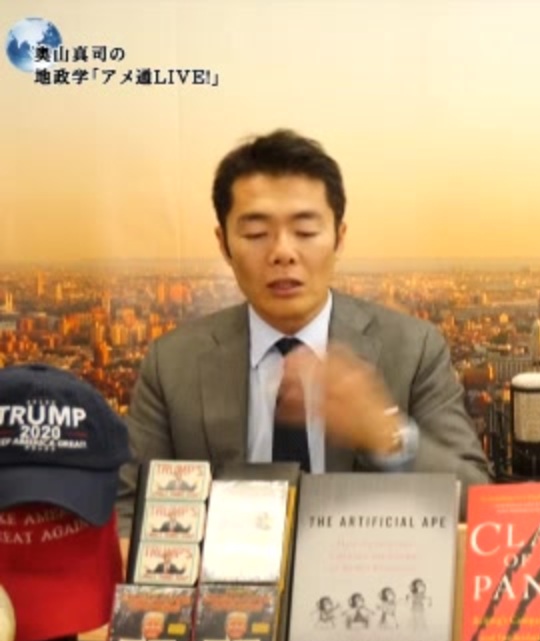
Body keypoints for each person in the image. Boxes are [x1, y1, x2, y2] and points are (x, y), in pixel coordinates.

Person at [120, 129, 492, 523]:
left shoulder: (413, 349)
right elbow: (127, 511)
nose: (283, 252)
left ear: (339, 238)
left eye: (306, 232)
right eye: (256, 233)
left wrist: (388, 436)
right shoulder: (172, 363)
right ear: (224, 243)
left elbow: (477, 505)